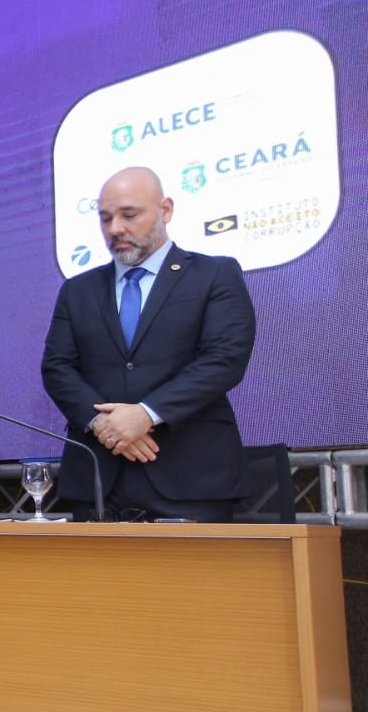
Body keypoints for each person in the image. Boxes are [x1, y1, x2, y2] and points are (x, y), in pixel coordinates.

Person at [41, 165, 257, 522]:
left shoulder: (214, 274)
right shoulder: (77, 290)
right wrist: (102, 425)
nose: (115, 228)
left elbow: (224, 358)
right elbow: (57, 367)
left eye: (129, 215)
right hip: (99, 478)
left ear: (165, 210)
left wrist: (146, 414)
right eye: (105, 218)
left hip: (191, 476)